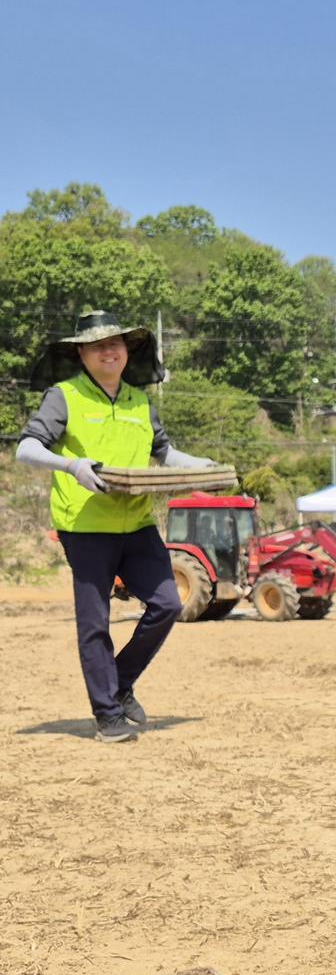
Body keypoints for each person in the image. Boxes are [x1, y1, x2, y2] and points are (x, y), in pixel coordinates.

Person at [16, 312, 218, 743]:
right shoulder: (64, 396)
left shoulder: (139, 402)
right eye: (98, 345)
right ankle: (107, 714)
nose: (110, 351)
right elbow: (27, 449)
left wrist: (202, 466)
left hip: (138, 521)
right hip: (85, 524)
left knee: (167, 604)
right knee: (95, 622)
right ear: (82, 355)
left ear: (128, 352)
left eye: (117, 344)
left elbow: (164, 453)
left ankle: (120, 682)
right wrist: (70, 464)